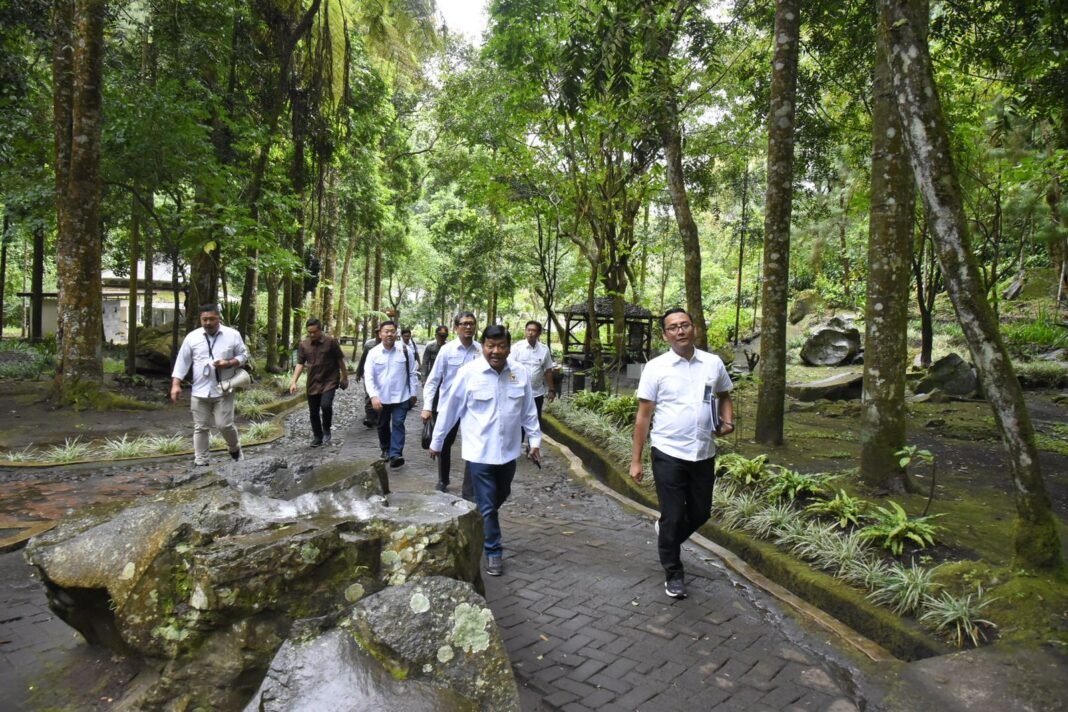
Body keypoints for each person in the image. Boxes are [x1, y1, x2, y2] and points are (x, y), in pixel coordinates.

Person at [630, 307, 734, 599]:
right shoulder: (656, 368)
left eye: (685, 325)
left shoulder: (713, 364)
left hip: (703, 451)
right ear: (665, 335)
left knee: (700, 512)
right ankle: (673, 571)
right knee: (674, 516)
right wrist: (636, 460)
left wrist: (728, 421)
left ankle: (666, 534)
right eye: (673, 327)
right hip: (668, 451)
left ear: (694, 329)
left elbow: (725, 395)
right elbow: (643, 417)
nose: (680, 330)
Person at [429, 325, 540, 577]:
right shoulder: (469, 373)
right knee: (488, 505)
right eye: (491, 346)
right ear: (483, 347)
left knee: (499, 496)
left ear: (509, 348)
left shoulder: (519, 373)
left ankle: (474, 519)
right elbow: (450, 409)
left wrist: (535, 441)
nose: (496, 351)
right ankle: (493, 552)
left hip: (509, 452)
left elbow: (528, 410)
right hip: (479, 452)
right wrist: (437, 441)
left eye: (501, 346)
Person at [170, 303, 250, 466]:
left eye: (211, 319)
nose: (208, 323)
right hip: (199, 390)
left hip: (224, 389)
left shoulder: (232, 335)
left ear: (218, 318)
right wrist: (176, 384)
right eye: (204, 319)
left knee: (224, 425)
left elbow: (243, 355)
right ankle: (201, 460)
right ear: (200, 319)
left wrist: (229, 362)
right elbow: (182, 361)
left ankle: (234, 448)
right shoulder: (192, 337)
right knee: (200, 427)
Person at [421, 312, 481, 494]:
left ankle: (469, 485)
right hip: (448, 405)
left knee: (474, 443)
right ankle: (443, 479)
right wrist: (427, 406)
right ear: (456, 328)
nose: (468, 327)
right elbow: (433, 380)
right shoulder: (447, 351)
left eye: (471, 323)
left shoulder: (480, 350)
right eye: (464, 324)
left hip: (473, 407)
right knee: (445, 443)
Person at [365, 320, 420, 468]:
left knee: (398, 423)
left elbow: (412, 372)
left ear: (396, 333)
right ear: (380, 334)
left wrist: (413, 393)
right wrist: (373, 396)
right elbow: (368, 377)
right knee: (382, 425)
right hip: (381, 398)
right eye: (386, 331)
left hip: (401, 396)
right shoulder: (373, 353)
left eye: (392, 331)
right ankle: (385, 448)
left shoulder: (406, 350)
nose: (389, 334)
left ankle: (396, 454)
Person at [289, 317, 348, 447]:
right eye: (309, 332)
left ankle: (326, 428)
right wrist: (294, 382)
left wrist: (345, 377)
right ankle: (317, 436)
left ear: (320, 330)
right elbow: (300, 363)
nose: (312, 334)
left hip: (330, 380)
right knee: (313, 411)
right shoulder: (304, 345)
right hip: (313, 382)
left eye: (314, 332)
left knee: (326, 405)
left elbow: (340, 360)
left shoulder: (331, 342)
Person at [513, 320, 556, 428]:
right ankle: (520, 444)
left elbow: (548, 370)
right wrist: (513, 385)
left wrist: (551, 389)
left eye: (534, 330)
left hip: (537, 393)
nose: (530, 333)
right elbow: (509, 369)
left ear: (539, 333)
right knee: (519, 423)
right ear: (525, 331)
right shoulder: (517, 348)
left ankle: (532, 444)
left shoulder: (544, 349)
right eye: (528, 330)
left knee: (535, 422)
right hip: (520, 393)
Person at [355, 327, 381, 428]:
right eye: (377, 333)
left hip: (381, 375)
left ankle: (378, 415)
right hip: (369, 374)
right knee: (369, 395)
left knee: (380, 395)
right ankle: (369, 417)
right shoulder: (369, 345)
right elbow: (363, 359)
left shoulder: (388, 345)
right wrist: (359, 372)